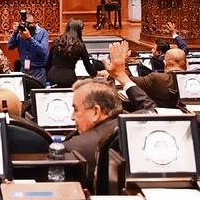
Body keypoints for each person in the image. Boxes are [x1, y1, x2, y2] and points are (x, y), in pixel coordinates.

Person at [65, 41, 156, 177]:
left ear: (96, 112)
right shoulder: (135, 126)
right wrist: (121, 76)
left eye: (76, 109)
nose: (72, 116)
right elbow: (151, 109)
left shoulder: (74, 149)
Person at [46, 18, 95, 87]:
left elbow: (48, 62)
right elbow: (88, 65)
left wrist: (48, 74)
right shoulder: (80, 46)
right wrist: (95, 74)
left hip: (52, 75)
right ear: (79, 31)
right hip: (69, 77)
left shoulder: (57, 41)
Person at [7, 11, 49, 84]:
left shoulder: (42, 33)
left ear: (36, 23)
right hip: (24, 70)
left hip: (38, 72)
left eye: (29, 23)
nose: (27, 26)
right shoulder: (20, 33)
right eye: (25, 23)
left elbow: (44, 52)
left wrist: (29, 38)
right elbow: (10, 46)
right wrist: (15, 33)